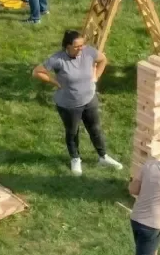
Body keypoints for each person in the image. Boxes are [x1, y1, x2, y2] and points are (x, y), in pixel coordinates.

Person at [32, 30, 123, 175]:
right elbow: (37, 71)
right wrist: (55, 82)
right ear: (67, 47)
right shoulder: (58, 59)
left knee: (95, 128)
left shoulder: (88, 52)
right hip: (68, 104)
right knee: (73, 132)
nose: (81, 48)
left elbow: (103, 59)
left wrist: (96, 77)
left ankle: (103, 156)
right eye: (77, 46)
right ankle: (75, 159)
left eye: (82, 45)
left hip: (89, 99)